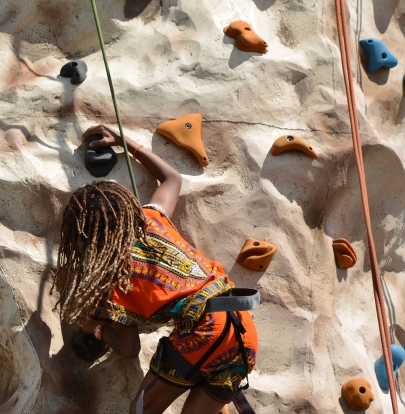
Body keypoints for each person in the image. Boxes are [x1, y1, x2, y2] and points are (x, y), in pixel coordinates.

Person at [51, 125, 258, 414]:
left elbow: (129, 348)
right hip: (242, 326)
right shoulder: (152, 219)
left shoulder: (112, 279)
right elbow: (172, 178)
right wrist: (123, 141)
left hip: (203, 332)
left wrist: (94, 328)